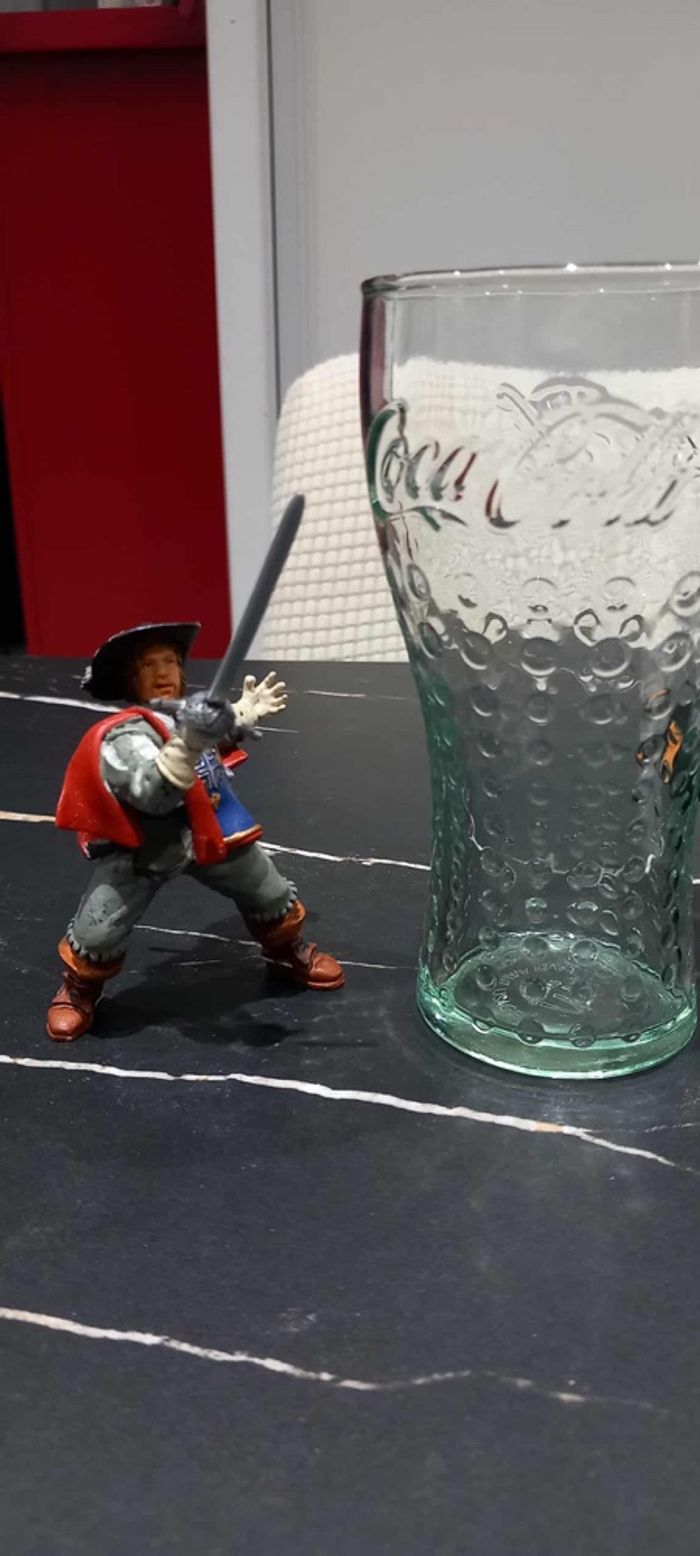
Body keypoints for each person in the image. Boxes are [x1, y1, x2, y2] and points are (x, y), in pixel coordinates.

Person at [46, 621, 344, 1041]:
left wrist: (240, 715)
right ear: (130, 679)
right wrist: (187, 743)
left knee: (270, 893)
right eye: (148, 664)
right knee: (98, 929)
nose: (162, 671)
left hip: (208, 832)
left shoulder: (190, 716)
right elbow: (152, 794)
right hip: (145, 848)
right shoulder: (123, 736)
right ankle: (80, 989)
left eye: (169, 661)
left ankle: (285, 952)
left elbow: (213, 738)